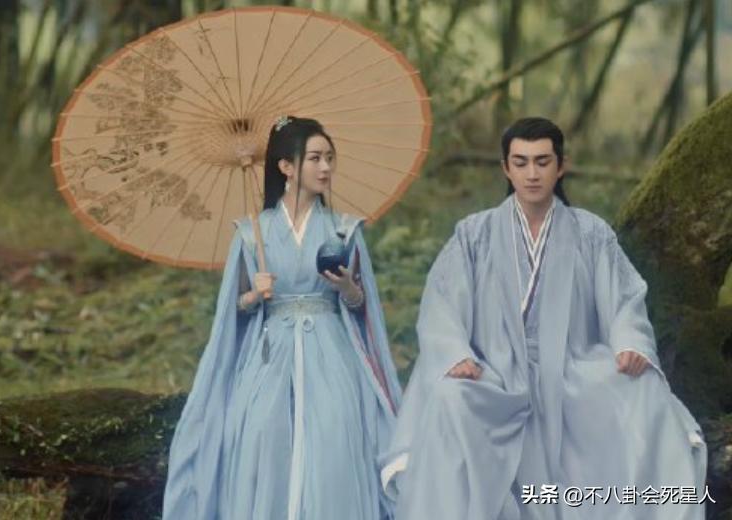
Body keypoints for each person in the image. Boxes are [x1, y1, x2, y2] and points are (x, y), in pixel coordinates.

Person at [380, 117, 707, 520]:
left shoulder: (591, 233)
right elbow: (442, 304)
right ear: (506, 168)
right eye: (521, 162)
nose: (532, 174)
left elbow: (623, 299)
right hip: (495, 370)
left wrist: (629, 342)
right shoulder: (474, 234)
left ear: (561, 166)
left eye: (542, 161)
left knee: (642, 391)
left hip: (573, 365)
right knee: (452, 397)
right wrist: (455, 353)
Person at [162, 116, 401, 519]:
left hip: (331, 352)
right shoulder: (251, 232)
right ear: (286, 166)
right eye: (315, 158)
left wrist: (347, 288)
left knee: (334, 437)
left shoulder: (343, 230)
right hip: (270, 354)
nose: (325, 167)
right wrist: (255, 294)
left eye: (329, 158)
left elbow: (364, 306)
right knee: (261, 434)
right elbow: (233, 309)